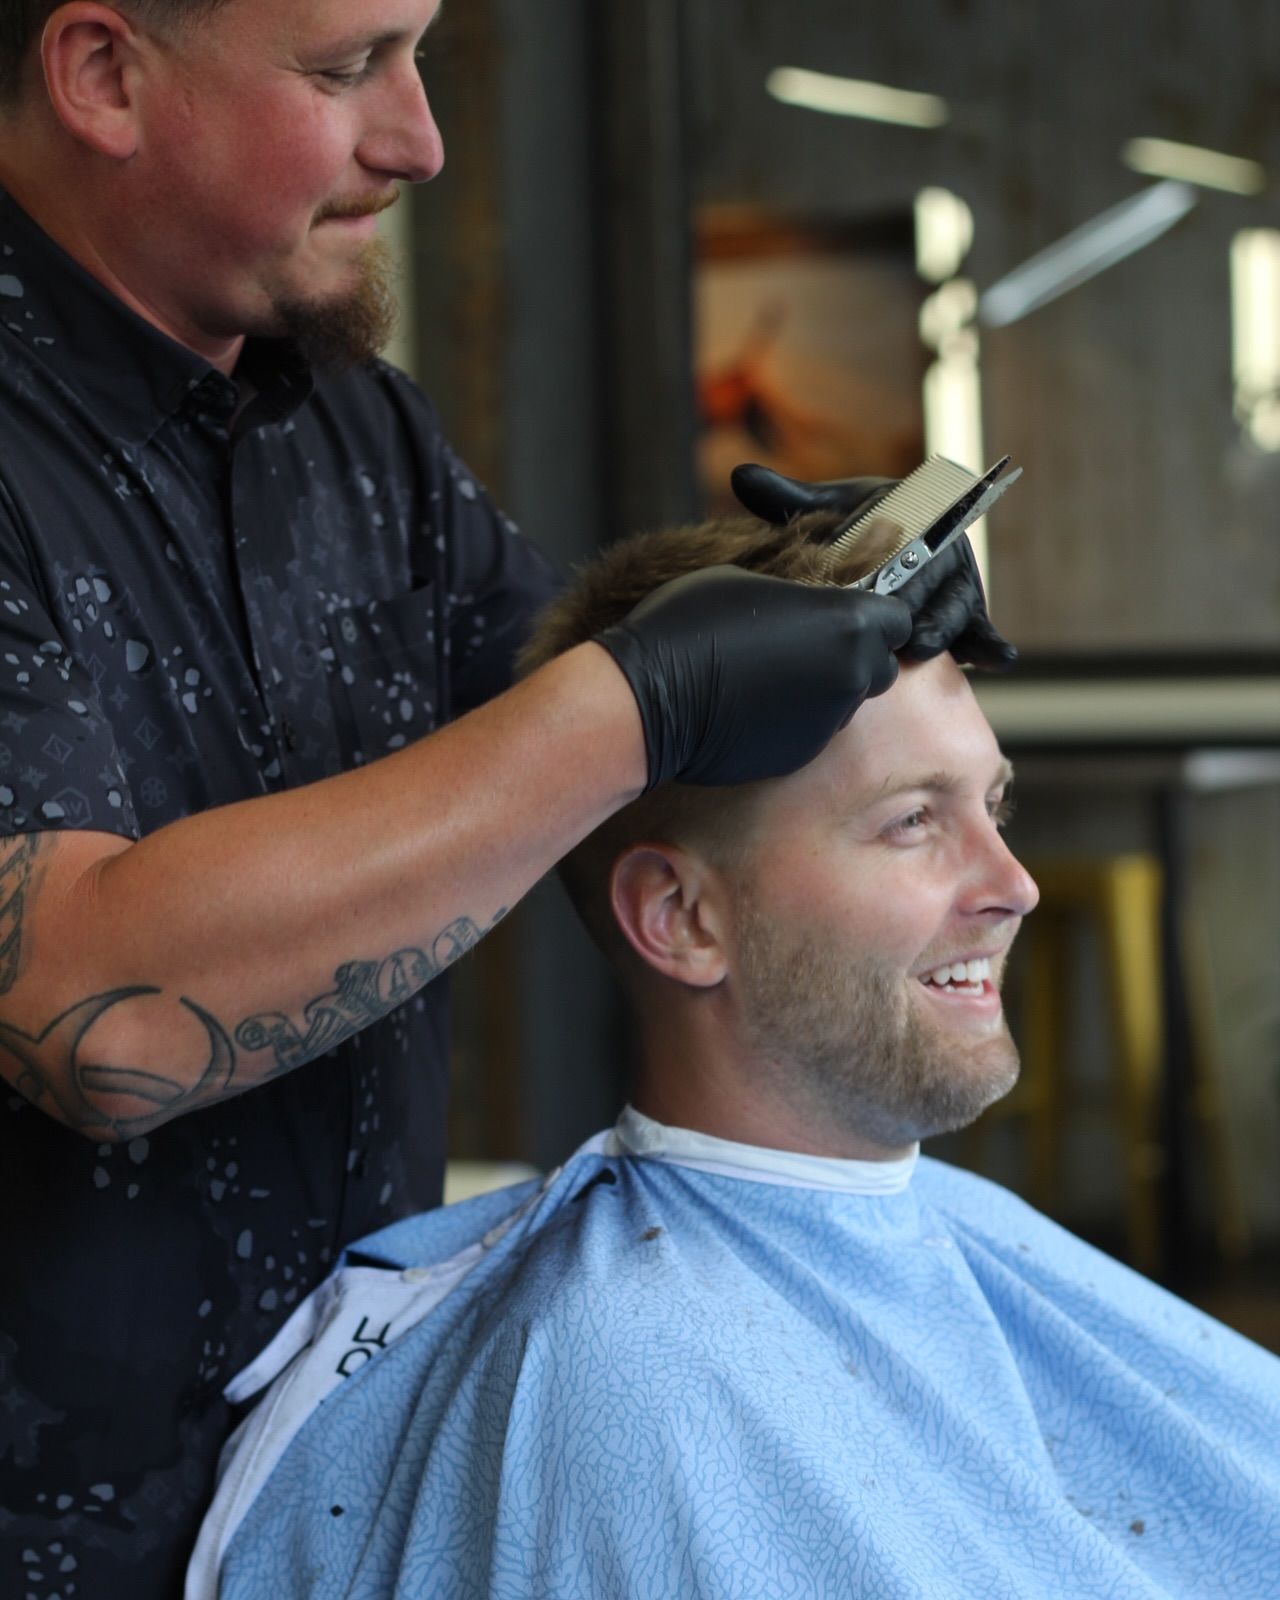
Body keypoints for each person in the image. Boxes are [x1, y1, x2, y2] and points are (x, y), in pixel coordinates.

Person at [0, 1, 1014, 1593]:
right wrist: (644, 696)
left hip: (330, 1474)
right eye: (346, 73)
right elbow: (94, 1007)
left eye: (424, 62)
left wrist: (825, 610)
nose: (418, 142)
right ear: (103, 74)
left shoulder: (347, 425)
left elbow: (574, 744)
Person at [190, 509, 1280, 1600]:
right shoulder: (623, 1379)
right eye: (910, 820)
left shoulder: (943, 1240)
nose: (1012, 883)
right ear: (678, 917)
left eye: (992, 805)